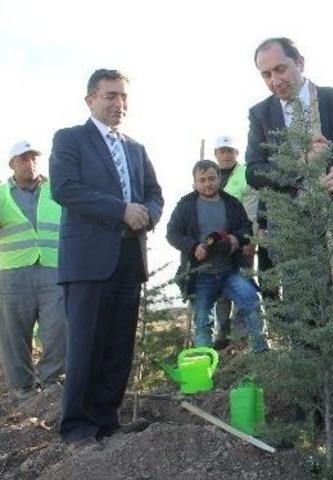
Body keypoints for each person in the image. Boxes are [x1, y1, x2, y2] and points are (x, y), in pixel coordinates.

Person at [50, 69, 164, 448]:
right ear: (90, 100)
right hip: (87, 261)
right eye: (110, 96)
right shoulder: (70, 140)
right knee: (86, 344)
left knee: (118, 345)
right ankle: (77, 428)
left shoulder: (136, 148)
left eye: (124, 97)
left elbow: (154, 194)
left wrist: (146, 212)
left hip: (129, 260)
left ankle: (106, 420)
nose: (119, 104)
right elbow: (65, 189)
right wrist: (121, 210)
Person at [245, 37, 333, 340]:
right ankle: (319, 390)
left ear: (300, 63)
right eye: (266, 75)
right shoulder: (260, 114)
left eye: (281, 69)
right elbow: (254, 172)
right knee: (307, 325)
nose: (275, 80)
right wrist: (299, 164)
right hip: (295, 237)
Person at [166, 160, 268, 353]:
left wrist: (235, 239)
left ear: (219, 178)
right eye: (202, 180)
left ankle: (262, 356)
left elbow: (245, 228)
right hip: (200, 274)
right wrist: (193, 246)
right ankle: (204, 367)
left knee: (252, 303)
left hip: (231, 270)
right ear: (195, 182)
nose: (208, 184)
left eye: (212, 178)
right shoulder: (185, 205)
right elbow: (172, 234)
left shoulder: (232, 203)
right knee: (203, 321)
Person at [0, 140, 65, 400]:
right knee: (13, 331)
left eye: (34, 158)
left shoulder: (57, 191)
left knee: (58, 326)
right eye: (24, 159)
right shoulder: (2, 194)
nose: (30, 163)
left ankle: (53, 381)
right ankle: (22, 387)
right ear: (12, 164)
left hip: (53, 268)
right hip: (12, 273)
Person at [212, 134, 259, 349]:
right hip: (217, 246)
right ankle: (222, 336)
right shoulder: (209, 175)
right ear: (216, 154)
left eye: (230, 151)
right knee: (220, 290)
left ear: (236, 153)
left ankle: (241, 337)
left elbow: (252, 210)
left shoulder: (245, 174)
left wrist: (249, 240)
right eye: (222, 151)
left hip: (240, 242)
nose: (226, 155)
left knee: (242, 287)